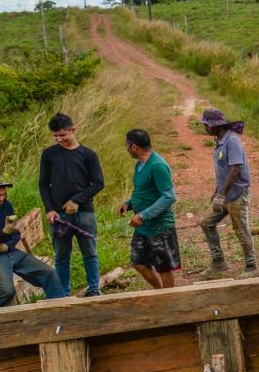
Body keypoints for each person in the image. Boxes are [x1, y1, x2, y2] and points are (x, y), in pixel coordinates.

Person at [0, 173, 70, 308]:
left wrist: (7, 245)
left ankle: (57, 312)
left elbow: (16, 233)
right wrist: (4, 233)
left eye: (4, 194)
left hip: (10, 251)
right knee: (6, 291)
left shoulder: (6, 205)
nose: (2, 199)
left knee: (50, 274)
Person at [38, 112, 105, 296]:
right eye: (55, 136)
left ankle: (94, 289)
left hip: (84, 213)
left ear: (72, 130)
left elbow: (98, 183)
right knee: (61, 256)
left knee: (90, 252)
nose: (59, 139)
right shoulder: (49, 154)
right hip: (59, 216)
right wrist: (49, 209)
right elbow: (43, 184)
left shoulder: (88, 154)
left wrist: (77, 199)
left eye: (63, 135)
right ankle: (63, 294)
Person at [197, 107, 257, 278]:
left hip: (237, 194)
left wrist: (221, 195)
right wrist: (217, 192)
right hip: (225, 193)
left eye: (207, 125)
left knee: (241, 229)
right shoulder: (220, 140)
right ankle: (218, 262)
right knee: (206, 223)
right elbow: (223, 170)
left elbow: (235, 170)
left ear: (216, 126)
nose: (205, 128)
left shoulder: (233, 141)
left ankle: (252, 267)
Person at [117, 129, 180, 290]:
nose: (126, 148)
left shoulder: (157, 165)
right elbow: (143, 191)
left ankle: (168, 299)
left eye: (127, 145)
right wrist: (128, 204)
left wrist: (144, 215)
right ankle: (159, 293)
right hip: (143, 228)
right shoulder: (140, 165)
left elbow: (169, 196)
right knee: (138, 262)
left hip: (160, 226)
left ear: (134, 147)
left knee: (163, 266)